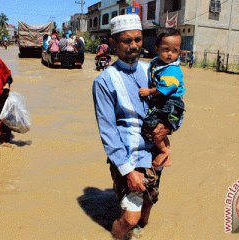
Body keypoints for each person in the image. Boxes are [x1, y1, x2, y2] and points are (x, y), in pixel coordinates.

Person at [92, 14, 171, 240]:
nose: (134, 45)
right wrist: (127, 171)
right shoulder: (104, 81)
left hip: (155, 154)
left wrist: (170, 127)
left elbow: (174, 103)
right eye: (127, 40)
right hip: (128, 157)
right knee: (130, 219)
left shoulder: (154, 71)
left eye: (138, 39)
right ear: (114, 43)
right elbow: (108, 131)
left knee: (146, 212)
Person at [139, 29, 185, 169]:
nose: (170, 54)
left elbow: (164, 89)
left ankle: (164, 151)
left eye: (174, 50)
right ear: (157, 49)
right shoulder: (157, 63)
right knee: (157, 128)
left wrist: (148, 92)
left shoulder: (172, 69)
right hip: (165, 102)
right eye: (166, 49)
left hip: (171, 103)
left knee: (150, 124)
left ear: (179, 52)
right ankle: (166, 156)